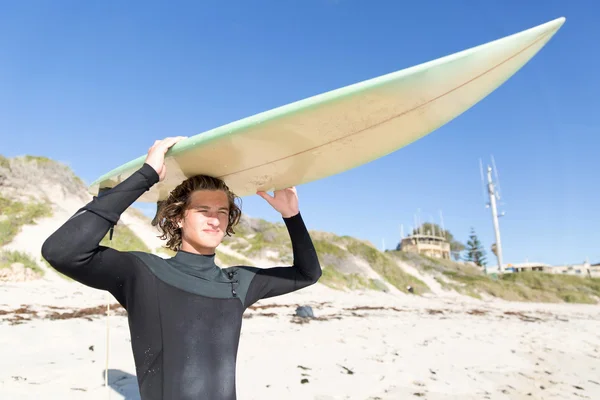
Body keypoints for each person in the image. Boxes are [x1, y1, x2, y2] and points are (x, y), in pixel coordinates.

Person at [41, 136, 322, 400]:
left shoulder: (238, 282)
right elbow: (61, 251)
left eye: (222, 213)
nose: (214, 220)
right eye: (203, 211)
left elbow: (308, 274)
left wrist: (292, 216)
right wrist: (146, 176)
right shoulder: (143, 273)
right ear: (176, 218)